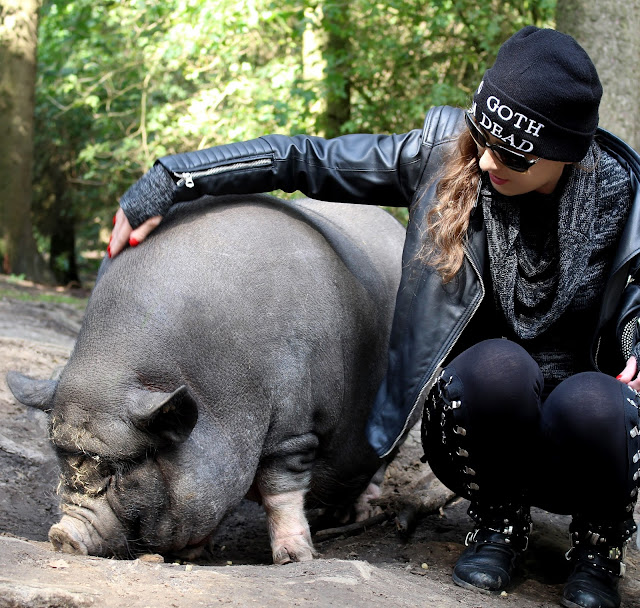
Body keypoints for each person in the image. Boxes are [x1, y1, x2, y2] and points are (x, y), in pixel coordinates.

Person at [109, 26, 640, 608]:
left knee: (596, 400)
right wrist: (169, 180)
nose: (487, 159)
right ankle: (497, 523)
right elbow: (302, 159)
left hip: (591, 445)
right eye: (483, 134)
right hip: (481, 423)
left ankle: (598, 545)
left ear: (568, 151)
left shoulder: (629, 199)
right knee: (498, 366)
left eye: (511, 151)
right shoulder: (445, 160)